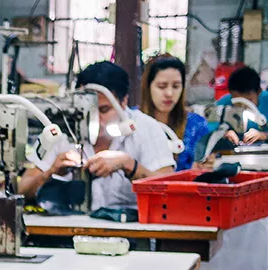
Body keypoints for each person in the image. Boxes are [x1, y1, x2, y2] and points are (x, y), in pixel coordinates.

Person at [18, 61, 175, 212]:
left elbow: (169, 191)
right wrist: (50, 173)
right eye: (86, 111)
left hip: (131, 234)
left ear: (123, 102)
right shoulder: (60, 129)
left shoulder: (146, 129)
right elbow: (21, 191)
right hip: (68, 233)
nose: (95, 120)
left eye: (104, 110)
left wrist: (129, 165)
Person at [141, 54, 209, 171]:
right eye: (162, 86)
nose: (169, 93)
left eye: (176, 86)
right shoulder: (133, 122)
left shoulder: (196, 125)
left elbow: (204, 165)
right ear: (148, 87)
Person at [217, 66, 268, 144]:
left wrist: (264, 135)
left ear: (259, 92)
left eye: (249, 100)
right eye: (238, 102)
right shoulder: (224, 103)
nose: (244, 106)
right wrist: (223, 134)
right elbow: (207, 131)